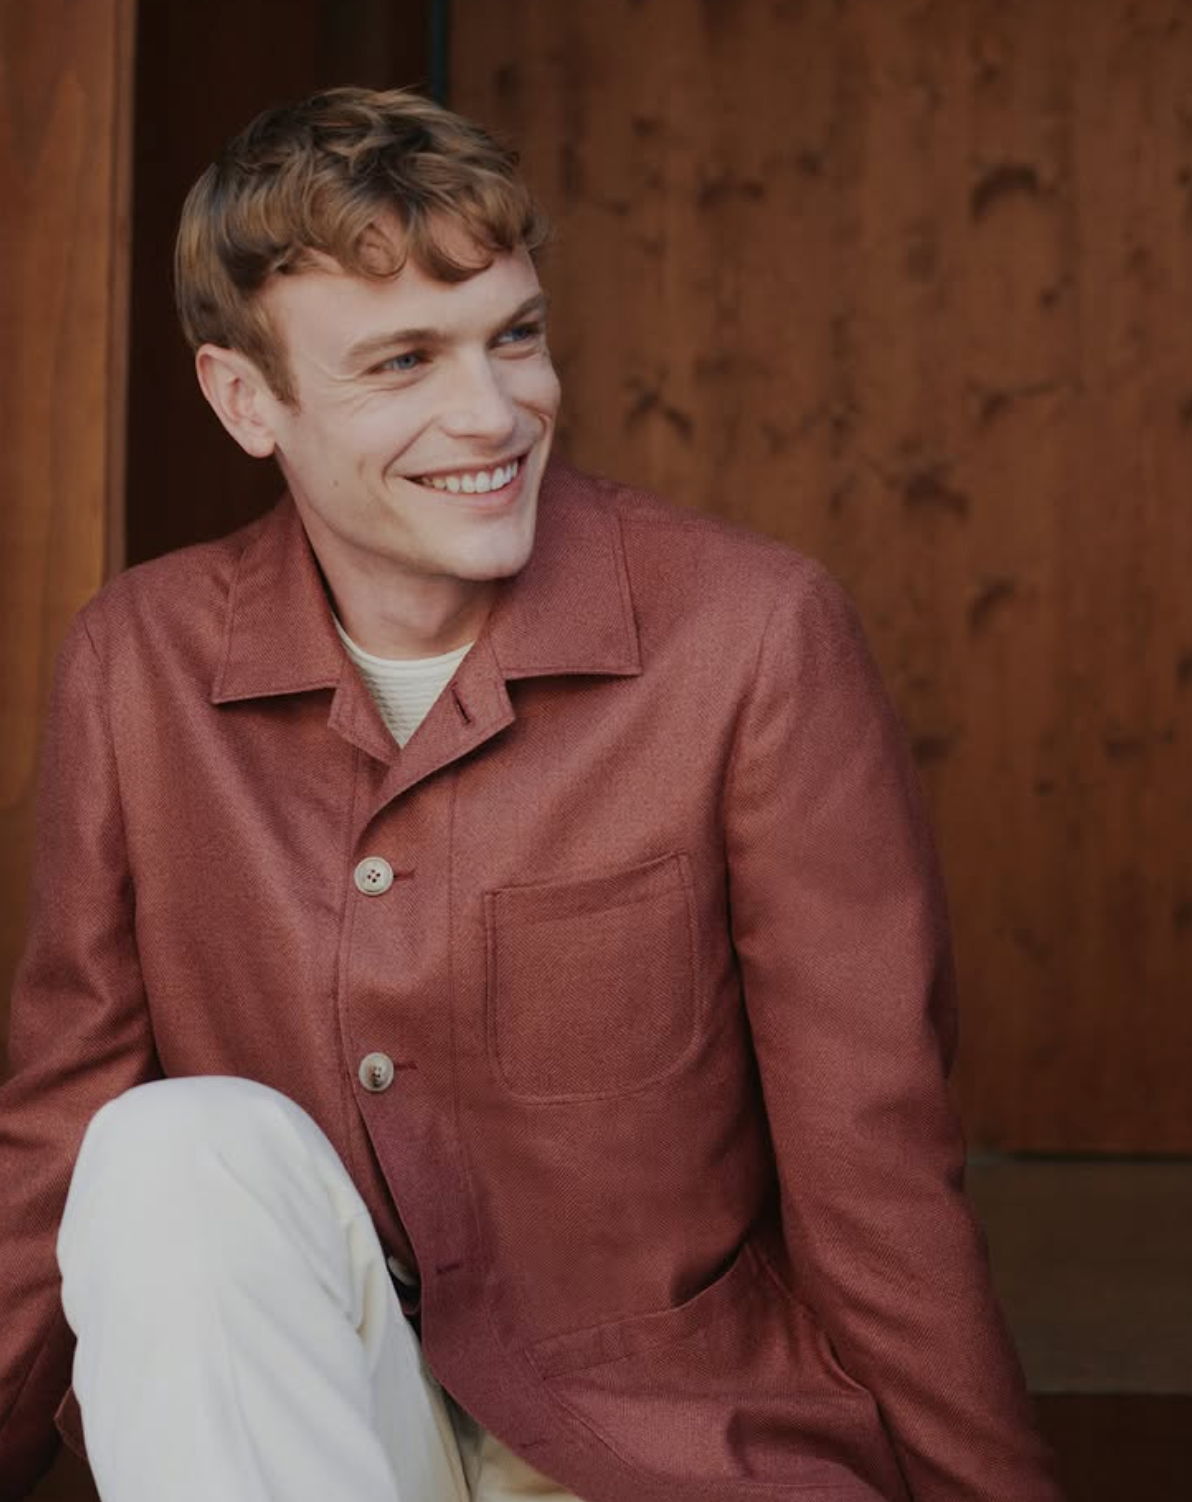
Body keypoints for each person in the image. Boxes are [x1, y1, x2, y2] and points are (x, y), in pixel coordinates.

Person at [0, 86, 1065, 1502]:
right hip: (317, 1437)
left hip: (669, 1444)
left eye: (514, 335)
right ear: (245, 399)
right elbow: (60, 1119)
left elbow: (875, 1163)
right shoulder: (135, 662)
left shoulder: (752, 636)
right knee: (159, 1148)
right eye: (402, 363)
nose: (494, 411)